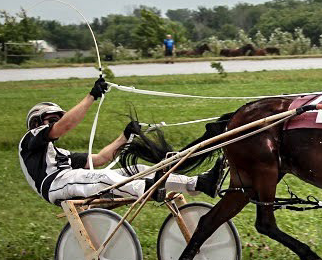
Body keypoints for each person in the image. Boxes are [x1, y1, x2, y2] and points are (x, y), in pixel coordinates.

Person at [19, 75, 223, 204]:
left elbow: (99, 159)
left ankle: (198, 183)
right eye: (52, 119)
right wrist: (91, 96)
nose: (57, 123)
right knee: (103, 179)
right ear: (36, 122)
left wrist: (125, 136)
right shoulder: (29, 139)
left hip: (70, 179)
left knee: (140, 171)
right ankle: (148, 190)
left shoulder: (61, 155)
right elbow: (64, 126)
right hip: (55, 186)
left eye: (58, 119)